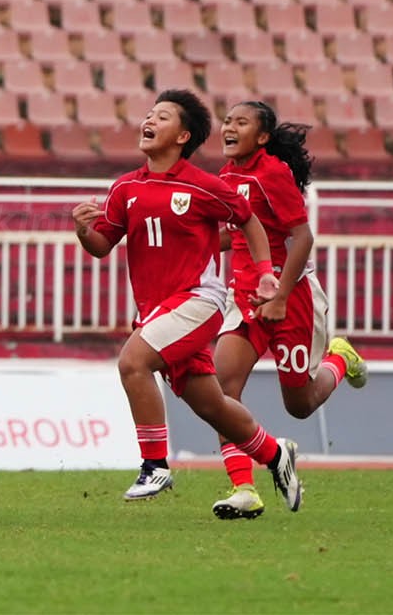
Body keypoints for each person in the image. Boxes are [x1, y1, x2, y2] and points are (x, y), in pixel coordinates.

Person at [71, 89, 302, 513]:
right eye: (149, 114)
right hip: (158, 308)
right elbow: (104, 245)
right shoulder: (125, 188)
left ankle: (154, 465)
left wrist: (267, 272)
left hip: (198, 300)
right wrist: (84, 231)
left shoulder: (203, 186)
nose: (150, 120)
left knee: (132, 362)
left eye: (162, 116)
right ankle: (274, 454)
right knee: (211, 405)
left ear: (183, 136)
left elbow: (248, 220)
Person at [211, 101, 366, 519]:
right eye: (226, 120)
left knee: (299, 404)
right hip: (244, 296)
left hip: (290, 297)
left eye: (240, 122)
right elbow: (234, 235)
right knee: (221, 389)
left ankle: (339, 357)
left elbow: (302, 237)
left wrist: (279, 296)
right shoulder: (225, 178)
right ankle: (244, 487)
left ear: (262, 137)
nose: (229, 127)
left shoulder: (272, 174)